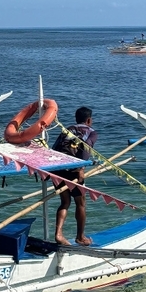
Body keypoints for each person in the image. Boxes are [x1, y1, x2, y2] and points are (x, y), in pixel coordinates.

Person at [52, 106, 97, 247]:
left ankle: (59, 234)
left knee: (65, 202)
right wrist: (81, 169)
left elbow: (54, 147)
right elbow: (86, 148)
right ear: (89, 120)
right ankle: (80, 237)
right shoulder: (91, 132)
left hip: (55, 168)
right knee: (81, 203)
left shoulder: (67, 129)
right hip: (73, 169)